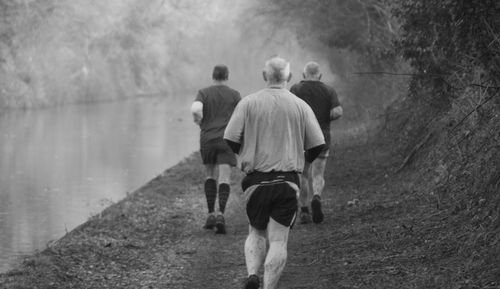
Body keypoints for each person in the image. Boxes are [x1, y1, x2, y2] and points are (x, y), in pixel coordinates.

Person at [224, 56, 325, 289]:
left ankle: (252, 274)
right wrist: (303, 160)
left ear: (264, 76)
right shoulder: (300, 105)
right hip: (287, 180)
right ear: (289, 77)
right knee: (278, 239)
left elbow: (230, 138)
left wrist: (246, 153)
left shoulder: (248, 103)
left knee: (255, 232)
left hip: (255, 179)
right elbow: (318, 144)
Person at [290, 61, 343, 224]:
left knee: (303, 174)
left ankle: (304, 210)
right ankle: (317, 197)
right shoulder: (328, 90)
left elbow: (289, 110)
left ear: (303, 75)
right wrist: (325, 118)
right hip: (322, 138)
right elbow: (338, 112)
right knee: (318, 174)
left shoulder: (296, 89)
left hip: (302, 139)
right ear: (319, 75)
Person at [190, 65, 241, 234]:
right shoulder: (234, 95)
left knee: (210, 175)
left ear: (212, 76)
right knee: (224, 178)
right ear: (227, 76)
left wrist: (199, 121)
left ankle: (210, 214)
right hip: (227, 140)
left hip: (208, 139)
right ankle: (221, 215)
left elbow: (196, 109)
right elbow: (241, 117)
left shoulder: (203, 92)